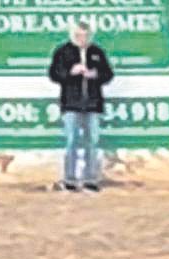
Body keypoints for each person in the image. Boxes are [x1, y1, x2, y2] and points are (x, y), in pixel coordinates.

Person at [46, 20, 112, 192]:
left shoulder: (97, 52)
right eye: (78, 35)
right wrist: (70, 72)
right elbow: (53, 74)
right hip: (71, 105)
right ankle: (70, 180)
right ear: (72, 35)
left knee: (92, 142)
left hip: (93, 105)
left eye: (85, 35)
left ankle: (90, 179)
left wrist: (95, 74)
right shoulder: (63, 52)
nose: (82, 38)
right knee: (71, 141)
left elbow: (108, 74)